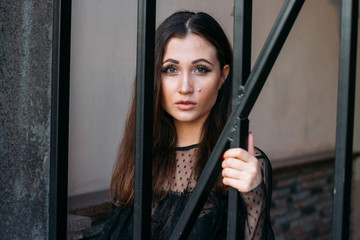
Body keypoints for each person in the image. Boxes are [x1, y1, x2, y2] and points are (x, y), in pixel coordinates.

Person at [98, 11, 274, 240]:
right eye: (171, 69)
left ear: (223, 76)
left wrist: (254, 203)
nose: (185, 87)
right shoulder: (141, 157)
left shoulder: (243, 165)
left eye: (201, 69)